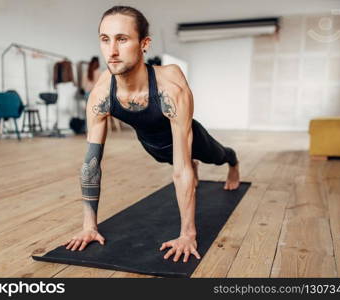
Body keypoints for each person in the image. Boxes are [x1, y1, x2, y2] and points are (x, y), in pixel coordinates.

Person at [63, 6, 240, 263]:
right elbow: (91, 164)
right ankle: (193, 163)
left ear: (144, 44)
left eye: (122, 39)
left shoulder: (170, 85)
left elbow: (180, 171)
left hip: (188, 136)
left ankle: (234, 163)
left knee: (217, 155)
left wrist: (187, 234)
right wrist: (89, 226)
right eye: (105, 39)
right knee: (171, 160)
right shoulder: (102, 93)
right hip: (152, 145)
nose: (111, 51)